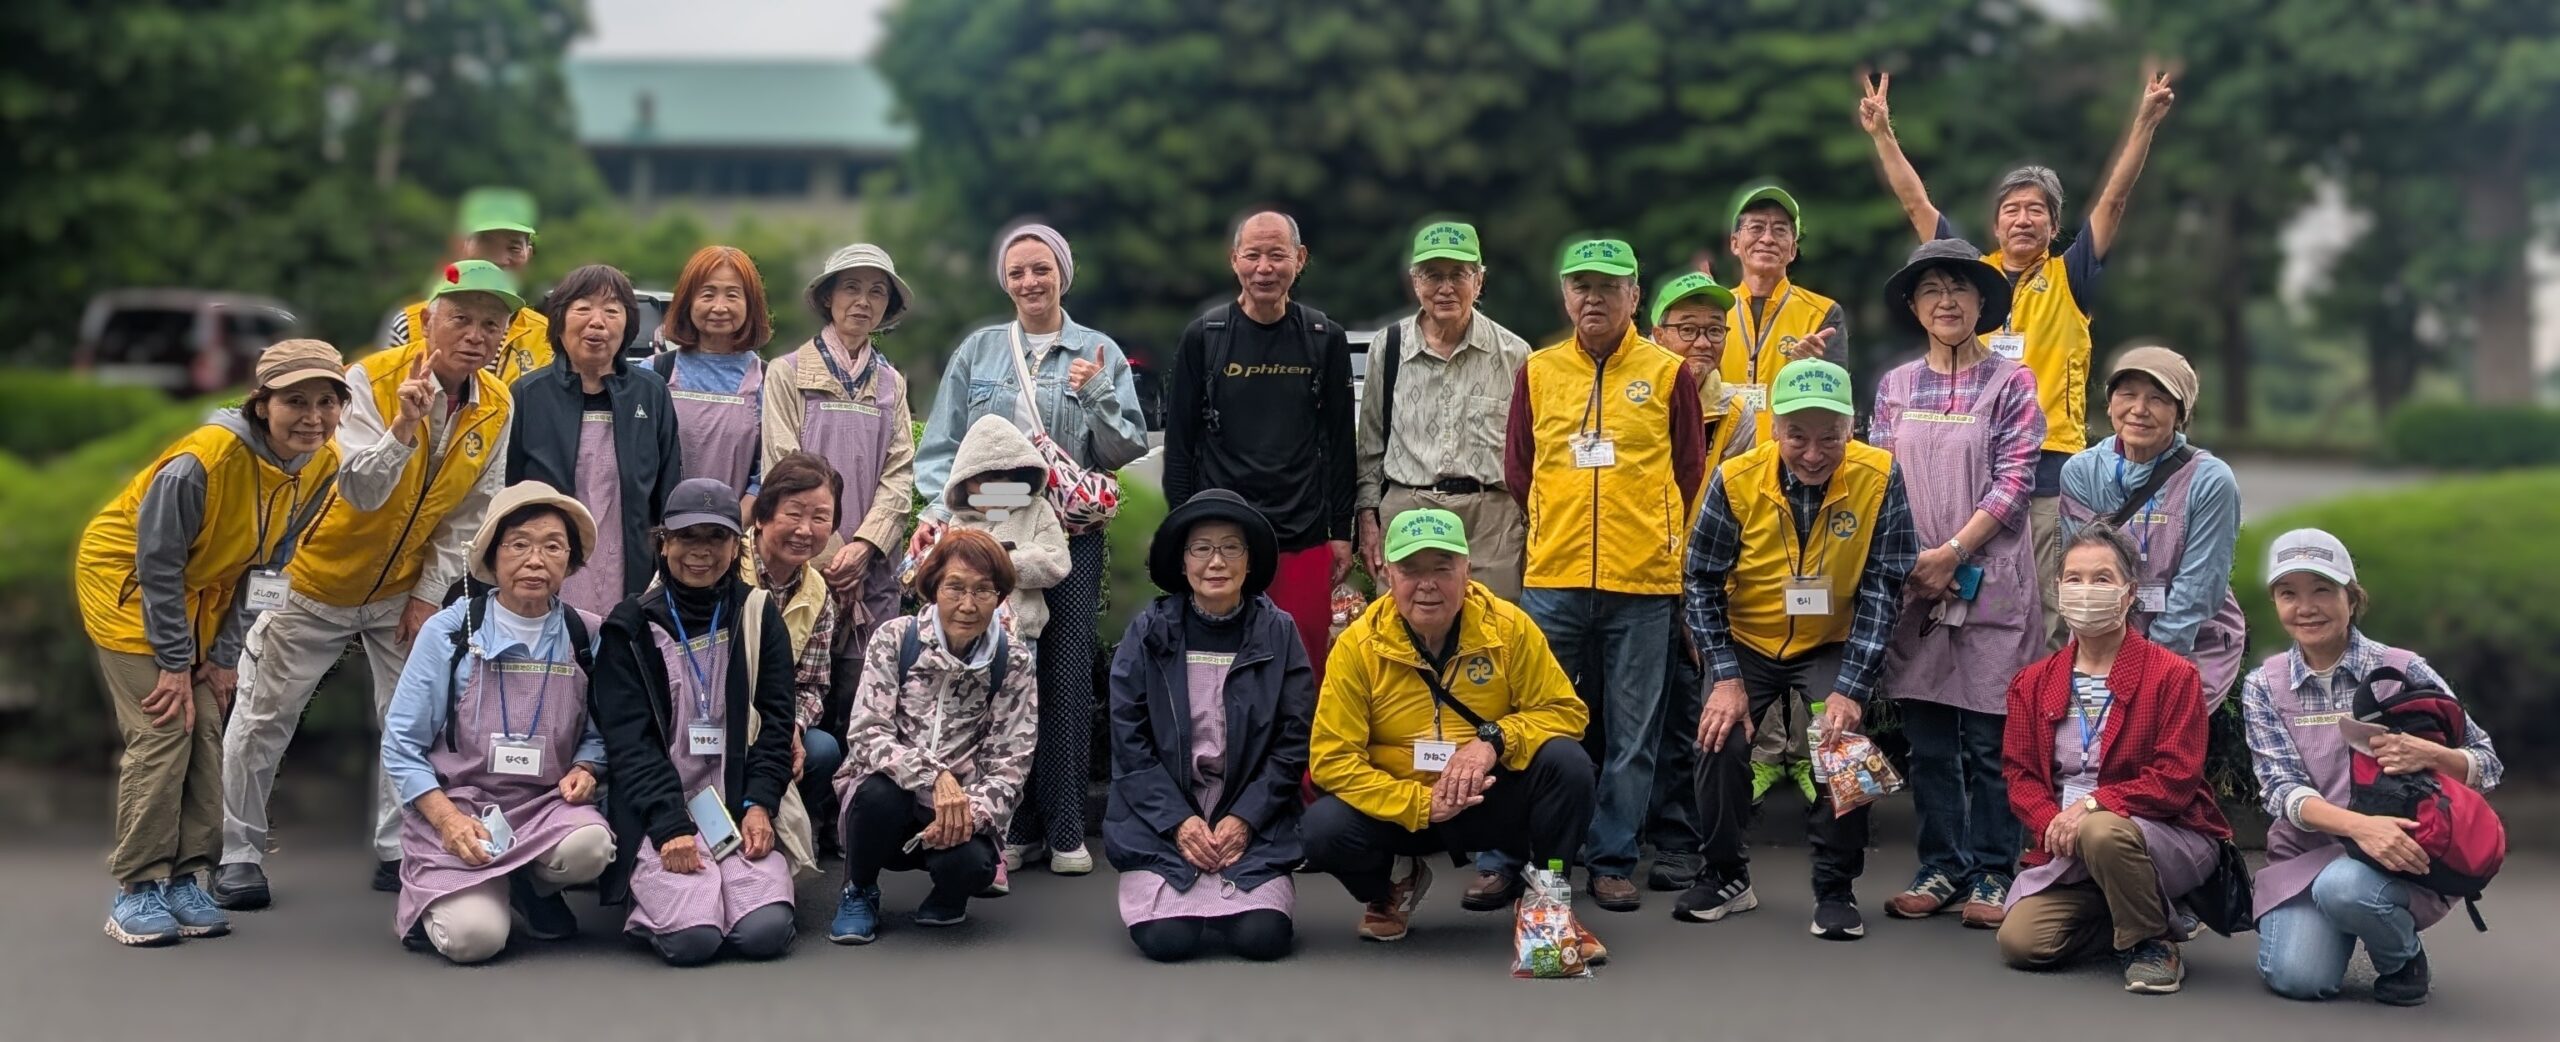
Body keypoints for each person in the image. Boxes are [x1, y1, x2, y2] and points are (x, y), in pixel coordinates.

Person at [215, 261, 520, 907]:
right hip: (310, 580)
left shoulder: (497, 402)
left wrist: (426, 594)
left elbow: (473, 513)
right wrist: (404, 428)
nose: (473, 335)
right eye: (459, 319)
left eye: (490, 324)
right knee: (265, 716)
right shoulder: (367, 380)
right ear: (427, 319)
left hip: (401, 589)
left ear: (505, 336)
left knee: (406, 720)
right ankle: (237, 853)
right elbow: (359, 488)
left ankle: (396, 846)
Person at [1863, 65, 2176, 647]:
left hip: (2052, 463)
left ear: (2055, 227)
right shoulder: (1969, 276)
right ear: (1996, 221)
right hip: (1974, 459)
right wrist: (1884, 134)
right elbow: (1915, 203)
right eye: (2012, 208)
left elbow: (2115, 197)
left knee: (2052, 600)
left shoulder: (2070, 276)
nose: (2023, 218)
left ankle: (2045, 714)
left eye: (2037, 210)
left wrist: (2144, 121)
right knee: (1977, 597)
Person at [76, 339, 349, 946]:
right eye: (295, 401)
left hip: (204, 595)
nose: (313, 416)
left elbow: (273, 567)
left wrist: (224, 656)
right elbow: (158, 565)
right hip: (129, 587)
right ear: (262, 404)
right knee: (164, 727)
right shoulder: (203, 460)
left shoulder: (320, 465)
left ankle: (186, 878)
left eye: (327, 402)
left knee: (205, 727)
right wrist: (176, 664)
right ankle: (136, 888)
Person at [910, 223, 1146, 878]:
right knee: (997, 677)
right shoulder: (980, 352)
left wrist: (1097, 393)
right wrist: (947, 523)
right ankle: (1010, 823)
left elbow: (1127, 448)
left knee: (1065, 677)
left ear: (1062, 274)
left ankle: (1065, 822)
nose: (1030, 282)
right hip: (989, 541)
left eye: (1041, 269)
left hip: (1068, 538)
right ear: (1004, 279)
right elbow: (940, 451)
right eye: (1017, 272)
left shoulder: (1098, 350)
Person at [1678, 358, 1917, 940]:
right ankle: (1726, 873)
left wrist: (1850, 690)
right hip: (1748, 639)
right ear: (1775, 429)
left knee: (1846, 743)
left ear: (1852, 427)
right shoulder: (1735, 478)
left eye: (1829, 437)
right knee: (1718, 735)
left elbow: (1884, 585)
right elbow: (1701, 580)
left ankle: (1836, 887)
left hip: (1830, 639)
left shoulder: (1880, 474)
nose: (1813, 453)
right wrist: (1727, 679)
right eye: (1798, 437)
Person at [1499, 238, 1706, 912]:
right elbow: (1520, 468)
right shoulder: (1537, 370)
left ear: (1634, 297)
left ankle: (1614, 859)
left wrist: (1643, 528)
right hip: (1554, 575)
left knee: (1632, 732)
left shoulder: (1670, 372)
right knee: (1530, 721)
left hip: (1642, 582)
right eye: (1581, 286)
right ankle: (1520, 855)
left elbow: (1686, 468)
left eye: (1608, 286)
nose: (1594, 298)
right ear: (1565, 296)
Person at [1304, 508, 1594, 941]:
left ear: (1467, 571)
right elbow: (1330, 760)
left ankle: (1547, 906)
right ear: (1388, 575)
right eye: (1410, 570)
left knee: (1568, 764)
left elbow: (1567, 713)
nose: (1427, 585)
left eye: (1442, 568)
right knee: (1321, 829)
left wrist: (1494, 741)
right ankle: (1391, 886)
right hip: (1404, 807)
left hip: (1488, 795)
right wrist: (1420, 804)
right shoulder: (1356, 648)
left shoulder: (1510, 628)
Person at [1868, 240, 2047, 928]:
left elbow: (2015, 479)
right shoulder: (1895, 387)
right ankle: (1941, 864)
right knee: (1931, 741)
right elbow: (1879, 479)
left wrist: (1952, 552)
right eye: (1932, 290)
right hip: (1915, 584)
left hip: (1989, 580)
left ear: (1981, 303)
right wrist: (1916, 560)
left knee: (1989, 742)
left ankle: (1997, 871)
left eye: (1960, 289)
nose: (1947, 301)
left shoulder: (2013, 381)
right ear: (1915, 307)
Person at [2246, 529, 2503, 1006]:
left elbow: (2487, 764)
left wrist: (2432, 755)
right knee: (2299, 979)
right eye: (2289, 594)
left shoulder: (2402, 669)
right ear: (2276, 603)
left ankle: (2400, 957)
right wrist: (2361, 827)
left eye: (2322, 590)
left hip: (2402, 855)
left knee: (2344, 889)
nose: (2306, 607)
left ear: (2352, 595)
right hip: (2309, 854)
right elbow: (2280, 791)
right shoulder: (2263, 685)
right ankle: (2343, 916)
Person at [380, 483, 614, 964]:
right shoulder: (450, 629)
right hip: (460, 807)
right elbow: (401, 742)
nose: (535, 560)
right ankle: (446, 887)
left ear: (569, 561)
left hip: (545, 808)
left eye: (552, 546)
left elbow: (599, 729)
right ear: (492, 554)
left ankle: (528, 884)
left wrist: (588, 768)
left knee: (591, 847)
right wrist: (445, 819)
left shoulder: (585, 633)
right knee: (474, 941)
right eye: (520, 544)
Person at [1996, 524, 2232, 995]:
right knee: (2022, 944)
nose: (2087, 591)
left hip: (2165, 831)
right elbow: (2021, 776)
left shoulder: (2174, 675)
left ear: (2129, 594)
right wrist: (2052, 823)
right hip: (2073, 843)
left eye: (2103, 579)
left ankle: (2154, 941)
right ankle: (2135, 906)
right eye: (2075, 578)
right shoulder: (2033, 681)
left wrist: (2087, 809)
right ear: (2059, 589)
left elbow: (2175, 779)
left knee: (2101, 828)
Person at [591, 479, 801, 966]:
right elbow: (630, 743)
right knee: (695, 940)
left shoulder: (757, 614)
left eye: (716, 538)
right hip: (660, 812)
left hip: (735, 807)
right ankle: (657, 894)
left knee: (763, 933)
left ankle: (729, 889)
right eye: (687, 537)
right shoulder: (630, 627)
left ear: (736, 546)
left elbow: (775, 720)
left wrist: (759, 804)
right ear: (663, 543)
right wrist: (668, 826)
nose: (701, 552)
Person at [1105, 489, 1314, 962]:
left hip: (1250, 814)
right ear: (1183, 563)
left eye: (1231, 548)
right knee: (1168, 942)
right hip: (1161, 816)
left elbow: (1293, 738)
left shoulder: (1277, 632)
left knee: (1262, 938)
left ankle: (1247, 883)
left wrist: (1246, 819)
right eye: (1201, 548)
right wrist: (1179, 823)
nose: (1215, 562)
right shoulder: (1148, 631)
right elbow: (1129, 740)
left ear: (1248, 561)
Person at [1163, 211, 1356, 683]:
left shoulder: (1323, 339)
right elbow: (1180, 445)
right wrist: (1186, 530)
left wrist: (1342, 531)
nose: (1264, 268)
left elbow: (1339, 442)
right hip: (1225, 536)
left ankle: (1303, 759)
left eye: (1277, 255)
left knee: (1304, 663)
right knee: (1221, 664)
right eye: (1252, 255)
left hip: (1304, 533)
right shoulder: (1204, 338)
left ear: (1300, 259)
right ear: (1234, 261)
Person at [828, 529, 1039, 945]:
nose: (967, 604)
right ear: (933, 588)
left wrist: (968, 810)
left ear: (999, 598)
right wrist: (936, 779)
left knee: (972, 865)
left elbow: (1011, 765)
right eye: (955, 587)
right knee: (875, 795)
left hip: (956, 810)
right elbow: (868, 734)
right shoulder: (896, 638)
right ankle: (859, 890)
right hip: (893, 798)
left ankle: (948, 896)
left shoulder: (1012, 660)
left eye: (983, 591)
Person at [762, 243, 918, 721]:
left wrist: (864, 549)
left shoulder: (892, 384)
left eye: (876, 292)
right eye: (851, 288)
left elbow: (899, 475)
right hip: (803, 558)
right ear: (827, 296)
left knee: (864, 695)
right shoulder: (786, 373)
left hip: (870, 570)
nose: (862, 302)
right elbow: (781, 466)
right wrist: (828, 555)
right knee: (793, 687)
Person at [1641, 268, 1757, 892]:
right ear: (1655, 333)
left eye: (1715, 330)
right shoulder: (1635, 395)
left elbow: (1739, 511)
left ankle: (1680, 836)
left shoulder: (1735, 412)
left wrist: (1703, 597)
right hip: (1633, 572)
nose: (1703, 343)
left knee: (1690, 704)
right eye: (1687, 329)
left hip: (1699, 581)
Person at [1354, 220, 1532, 601]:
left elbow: (1531, 451)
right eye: (1433, 275)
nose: (1446, 288)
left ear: (1479, 281)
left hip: (1492, 520)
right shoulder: (1388, 347)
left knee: (1496, 633)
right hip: (1409, 509)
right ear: (1415, 282)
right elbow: (1369, 445)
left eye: (1459, 275)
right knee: (1405, 635)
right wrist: (1368, 520)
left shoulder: (1515, 354)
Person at [2060, 346, 2246, 699]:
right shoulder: (2082, 472)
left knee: (2160, 732)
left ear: (2180, 414)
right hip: (2099, 630)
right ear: (2110, 403)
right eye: (2127, 394)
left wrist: (2150, 668)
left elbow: (2198, 589)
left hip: (2190, 638)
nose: (2139, 410)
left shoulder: (2210, 480)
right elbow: (2079, 575)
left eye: (2158, 399)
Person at [507, 264, 683, 618]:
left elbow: (668, 486)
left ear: (628, 326)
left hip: (628, 559)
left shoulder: (650, 393)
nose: (597, 322)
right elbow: (507, 488)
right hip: (548, 561)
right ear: (559, 320)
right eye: (583, 308)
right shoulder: (528, 394)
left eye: (612, 311)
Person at [736, 452, 848, 846]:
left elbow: (813, 685)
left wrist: (793, 727)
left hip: (772, 720)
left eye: (820, 518)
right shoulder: (723, 561)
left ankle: (778, 834)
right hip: (709, 716)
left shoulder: (818, 594)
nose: (805, 530)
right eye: (793, 513)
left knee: (820, 750)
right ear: (763, 515)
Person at [387, 187, 553, 384]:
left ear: (529, 254)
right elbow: (386, 395)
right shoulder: (410, 323)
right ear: (462, 246)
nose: (499, 259)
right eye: (488, 244)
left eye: (514, 248)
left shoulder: (547, 335)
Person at [1720, 185, 1848, 440]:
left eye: (1779, 230)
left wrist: (1809, 369)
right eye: (1756, 227)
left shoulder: (1823, 312)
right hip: (1720, 455)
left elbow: (1836, 401)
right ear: (1735, 243)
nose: (1767, 238)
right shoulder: (1716, 310)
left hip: (1787, 457)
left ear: (1792, 249)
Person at [650, 245, 775, 503]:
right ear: (687, 301)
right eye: (707, 295)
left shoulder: (769, 380)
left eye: (732, 295)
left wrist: (733, 524)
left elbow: (767, 472)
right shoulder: (654, 373)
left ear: (751, 305)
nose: (720, 307)